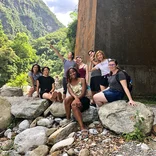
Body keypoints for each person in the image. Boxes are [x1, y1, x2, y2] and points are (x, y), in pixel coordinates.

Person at [64, 67, 90, 138]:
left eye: (73, 72)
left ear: (76, 72)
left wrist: (77, 99)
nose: (72, 73)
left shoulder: (82, 80)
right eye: (70, 73)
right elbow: (71, 93)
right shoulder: (68, 84)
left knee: (74, 105)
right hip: (75, 98)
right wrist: (76, 98)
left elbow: (83, 92)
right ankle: (68, 119)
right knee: (67, 100)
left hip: (84, 98)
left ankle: (82, 127)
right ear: (69, 75)